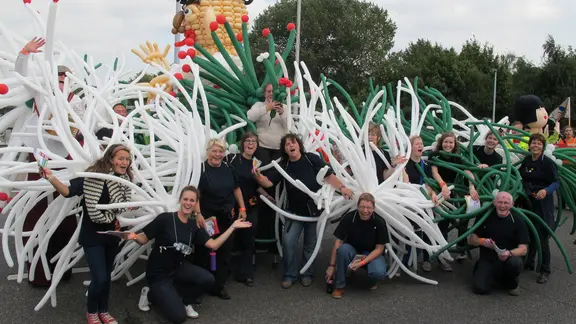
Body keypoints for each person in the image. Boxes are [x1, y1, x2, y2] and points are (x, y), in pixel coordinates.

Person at [129, 186, 251, 323]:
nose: (188, 203)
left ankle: (186, 301)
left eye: (192, 200)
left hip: (178, 268)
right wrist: (131, 235)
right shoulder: (165, 219)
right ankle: (149, 293)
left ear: (195, 203)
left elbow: (214, 245)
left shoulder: (194, 226)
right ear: (180, 200)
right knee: (178, 317)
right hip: (159, 273)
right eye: (185, 199)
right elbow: (143, 239)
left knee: (208, 279)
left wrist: (233, 227)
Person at [40, 144, 133, 324]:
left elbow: (123, 205)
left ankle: (104, 311)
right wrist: (51, 177)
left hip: (112, 235)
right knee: (100, 277)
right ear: (111, 159)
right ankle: (92, 312)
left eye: (127, 159)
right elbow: (68, 192)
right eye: (121, 158)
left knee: (106, 277)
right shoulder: (93, 176)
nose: (125, 162)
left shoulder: (124, 181)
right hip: (92, 236)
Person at [254, 133, 354, 289]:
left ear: (299, 145)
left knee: (310, 244)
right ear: (284, 149)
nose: (290, 146)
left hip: (314, 211)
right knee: (288, 242)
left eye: (293, 143)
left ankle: (307, 273)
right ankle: (289, 274)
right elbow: (268, 183)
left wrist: (342, 188)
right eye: (287, 144)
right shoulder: (284, 165)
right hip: (294, 212)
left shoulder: (311, 158)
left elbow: (328, 175)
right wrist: (258, 177)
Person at [193, 138, 247, 299]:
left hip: (226, 217)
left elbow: (236, 188)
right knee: (204, 252)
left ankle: (218, 286)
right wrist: (198, 214)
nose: (217, 154)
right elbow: (194, 193)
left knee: (224, 252)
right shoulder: (201, 169)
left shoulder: (228, 168)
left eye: (220, 151)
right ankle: (200, 286)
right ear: (208, 152)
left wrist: (242, 207)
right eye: (214, 151)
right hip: (207, 219)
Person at [247, 83, 289, 256]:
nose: (271, 94)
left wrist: (282, 113)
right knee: (262, 181)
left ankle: (275, 236)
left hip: (279, 149)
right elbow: (250, 116)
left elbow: (290, 125)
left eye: (273, 91)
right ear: (264, 93)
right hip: (263, 147)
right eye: (269, 91)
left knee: (275, 186)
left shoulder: (285, 107)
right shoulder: (259, 106)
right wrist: (267, 108)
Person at [325, 193, 389, 299]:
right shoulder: (349, 218)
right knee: (342, 249)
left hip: (371, 253)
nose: (365, 211)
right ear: (357, 206)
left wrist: (362, 262)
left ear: (374, 208)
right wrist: (331, 266)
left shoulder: (379, 222)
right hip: (353, 250)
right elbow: (338, 242)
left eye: (368, 208)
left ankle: (371, 279)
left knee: (379, 272)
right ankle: (339, 286)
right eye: (362, 207)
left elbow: (379, 249)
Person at [430, 132, 479, 265]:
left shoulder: (457, 157)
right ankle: (440, 253)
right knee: (443, 221)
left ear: (455, 144)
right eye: (446, 142)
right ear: (441, 142)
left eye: (451, 142)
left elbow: (469, 171)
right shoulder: (435, 155)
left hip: (455, 190)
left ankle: (461, 249)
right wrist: (443, 186)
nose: (448, 144)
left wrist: (471, 187)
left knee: (463, 217)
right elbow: (434, 172)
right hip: (440, 191)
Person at [468, 192, 529, 296]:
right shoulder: (485, 216)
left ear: (512, 204)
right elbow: (471, 240)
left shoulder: (518, 220)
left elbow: (523, 249)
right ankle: (486, 272)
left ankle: (511, 282)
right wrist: (482, 241)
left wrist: (509, 253)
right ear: (494, 203)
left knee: (515, 263)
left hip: (508, 258)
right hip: (488, 258)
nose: (502, 205)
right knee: (480, 289)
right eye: (500, 202)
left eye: (506, 203)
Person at [519, 133, 560, 284]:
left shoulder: (548, 163)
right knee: (528, 232)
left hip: (543, 203)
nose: (536, 146)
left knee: (542, 236)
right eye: (533, 143)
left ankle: (545, 269)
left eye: (539, 144)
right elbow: (520, 176)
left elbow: (556, 182)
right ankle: (529, 262)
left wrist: (546, 191)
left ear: (543, 147)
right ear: (529, 145)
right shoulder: (527, 160)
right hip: (528, 201)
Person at [225, 132, 261, 286]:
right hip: (232, 207)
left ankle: (245, 274)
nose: (250, 144)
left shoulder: (256, 164)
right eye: (247, 141)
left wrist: (269, 195)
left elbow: (257, 186)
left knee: (248, 241)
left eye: (253, 141)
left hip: (250, 207)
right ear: (242, 144)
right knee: (227, 239)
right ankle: (223, 271)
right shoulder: (232, 159)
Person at [401, 135, 438, 272]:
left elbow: (428, 185)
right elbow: (405, 183)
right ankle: (406, 259)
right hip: (408, 202)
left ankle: (427, 259)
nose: (420, 146)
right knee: (409, 232)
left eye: (421, 144)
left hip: (423, 202)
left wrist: (433, 195)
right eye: (417, 144)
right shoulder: (404, 164)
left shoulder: (425, 165)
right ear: (410, 147)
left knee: (429, 227)